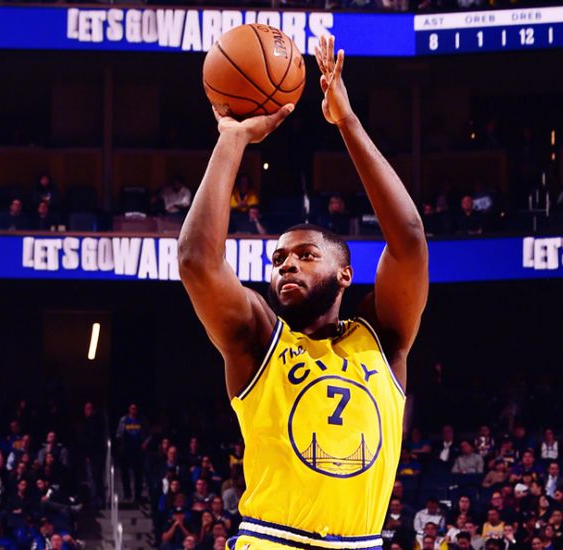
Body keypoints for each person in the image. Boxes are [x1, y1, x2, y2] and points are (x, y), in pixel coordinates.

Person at [178, 35, 428, 550]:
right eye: (278, 260)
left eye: (307, 255)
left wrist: (348, 123)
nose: (287, 263)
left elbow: (408, 239)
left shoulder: (383, 340)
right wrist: (232, 138)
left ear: (345, 274)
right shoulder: (258, 340)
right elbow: (197, 261)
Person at [116, 403, 146, 504]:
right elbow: (118, 434)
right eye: (132, 408)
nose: (134, 410)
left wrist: (144, 442)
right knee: (125, 473)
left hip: (138, 450)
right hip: (126, 450)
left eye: (135, 408)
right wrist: (122, 440)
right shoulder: (124, 420)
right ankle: (127, 494)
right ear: (129, 409)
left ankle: (138, 496)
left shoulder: (140, 420)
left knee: (138, 474)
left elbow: (145, 433)